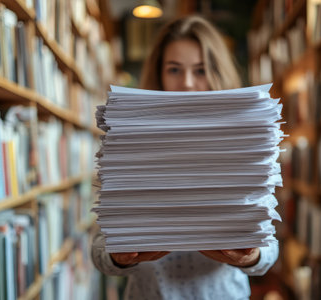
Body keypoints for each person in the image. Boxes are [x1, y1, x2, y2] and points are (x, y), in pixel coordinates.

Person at [91, 15, 279, 299]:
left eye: (200, 70)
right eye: (174, 69)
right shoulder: (130, 139)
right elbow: (99, 250)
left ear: (217, 71)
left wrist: (250, 256)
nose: (188, 83)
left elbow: (269, 247)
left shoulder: (244, 140)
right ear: (159, 73)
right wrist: (120, 257)